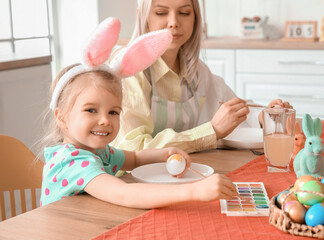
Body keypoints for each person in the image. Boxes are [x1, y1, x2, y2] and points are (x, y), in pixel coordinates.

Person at [40, 18, 237, 208]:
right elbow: (125, 194)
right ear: (61, 117)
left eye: (113, 112)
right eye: (91, 110)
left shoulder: (99, 152)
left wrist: (164, 153)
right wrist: (194, 191)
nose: (104, 120)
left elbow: (134, 158)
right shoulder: (72, 161)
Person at [110, 0, 291, 153]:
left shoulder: (196, 70)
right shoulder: (127, 69)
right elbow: (132, 148)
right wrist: (212, 131)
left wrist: (263, 116)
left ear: (196, 18)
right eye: (161, 12)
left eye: (184, 12)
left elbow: (232, 105)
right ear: (142, 16)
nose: (173, 22)